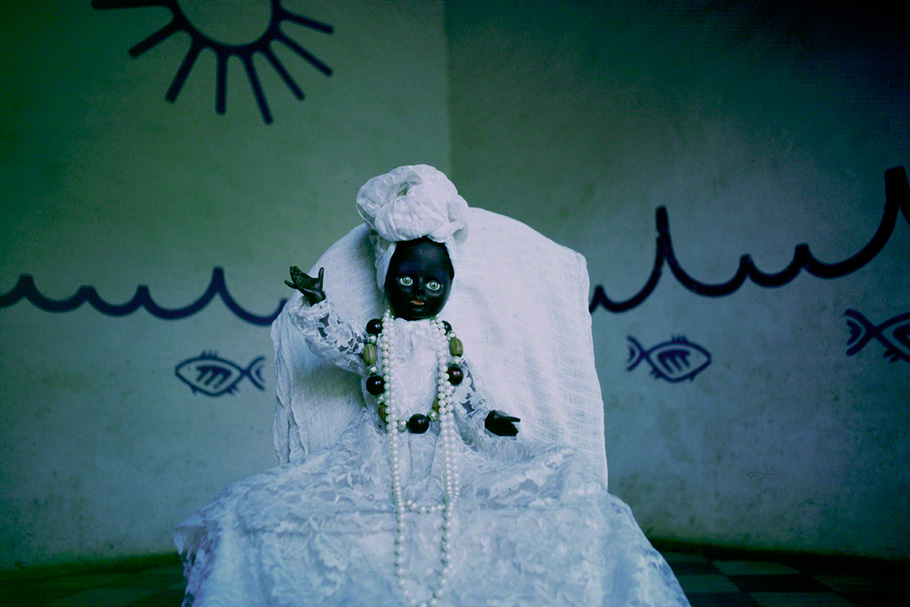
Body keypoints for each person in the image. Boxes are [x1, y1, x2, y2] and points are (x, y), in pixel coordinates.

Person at [175, 165, 690, 606]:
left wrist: (488, 416)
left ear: (448, 285)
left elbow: (465, 392)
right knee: (292, 510)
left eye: (433, 283)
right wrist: (317, 304)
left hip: (446, 452)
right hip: (377, 454)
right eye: (406, 281)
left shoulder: (447, 342)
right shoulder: (378, 338)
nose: (419, 291)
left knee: (541, 492)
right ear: (383, 280)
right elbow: (339, 346)